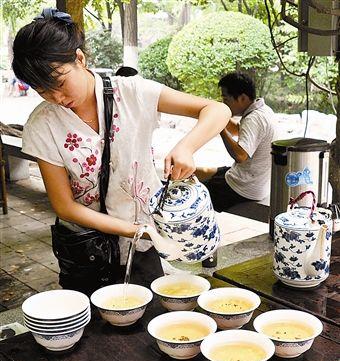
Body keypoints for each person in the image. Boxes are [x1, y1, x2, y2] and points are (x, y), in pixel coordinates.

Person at [12, 8, 231, 294]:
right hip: (86, 251)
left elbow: (217, 109)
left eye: (61, 83)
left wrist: (186, 146)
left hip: (142, 247)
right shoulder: (42, 125)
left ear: (79, 58)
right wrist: (135, 229)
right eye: (44, 91)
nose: (57, 98)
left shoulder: (132, 93)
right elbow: (65, 206)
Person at [197, 72, 276, 212]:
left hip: (244, 188)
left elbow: (240, 156)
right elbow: (240, 131)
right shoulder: (263, 110)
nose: (224, 104)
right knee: (208, 172)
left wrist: (220, 128)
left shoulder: (253, 119)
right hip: (256, 183)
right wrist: (218, 117)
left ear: (243, 98)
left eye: (226, 99)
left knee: (196, 194)